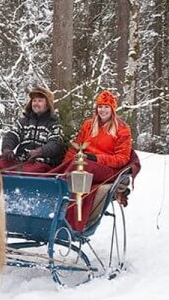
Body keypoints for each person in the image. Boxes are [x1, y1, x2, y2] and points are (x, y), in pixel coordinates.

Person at [50, 90, 139, 232]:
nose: (102, 110)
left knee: (83, 166)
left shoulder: (122, 129)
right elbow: (75, 148)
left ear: (112, 109)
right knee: (74, 163)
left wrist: (96, 158)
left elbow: (121, 159)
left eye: (106, 107)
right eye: (100, 106)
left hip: (108, 169)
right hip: (86, 166)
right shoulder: (88, 125)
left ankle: (74, 224)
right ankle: (55, 190)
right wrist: (65, 164)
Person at [0, 87, 65, 174]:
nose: (36, 103)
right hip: (21, 160)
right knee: (0, 164)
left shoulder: (54, 124)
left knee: (30, 172)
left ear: (48, 105)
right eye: (34, 100)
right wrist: (7, 149)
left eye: (40, 101)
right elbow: (12, 135)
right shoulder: (24, 121)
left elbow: (55, 143)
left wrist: (40, 151)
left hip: (41, 163)